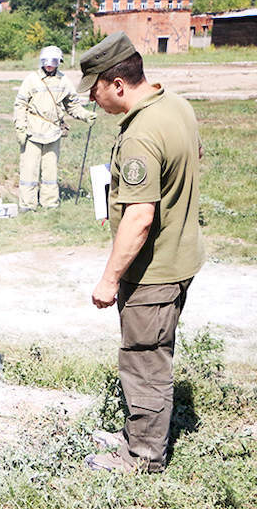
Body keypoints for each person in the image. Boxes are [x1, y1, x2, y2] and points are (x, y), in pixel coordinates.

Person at [80, 32, 205, 473]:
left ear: (117, 84)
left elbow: (140, 219)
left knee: (144, 361)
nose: (93, 100)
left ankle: (144, 457)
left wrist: (109, 279)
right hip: (181, 257)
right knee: (153, 352)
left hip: (154, 272)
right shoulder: (176, 106)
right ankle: (139, 434)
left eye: (94, 89)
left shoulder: (140, 134)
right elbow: (192, 158)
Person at [13, 46, 97, 211]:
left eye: (53, 61)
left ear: (59, 62)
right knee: (29, 170)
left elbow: (72, 105)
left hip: (53, 132)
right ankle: (27, 204)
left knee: (50, 172)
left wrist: (85, 115)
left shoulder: (64, 81)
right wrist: (20, 127)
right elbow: (20, 104)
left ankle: (49, 203)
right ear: (41, 61)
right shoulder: (32, 79)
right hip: (32, 131)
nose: (49, 65)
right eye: (46, 61)